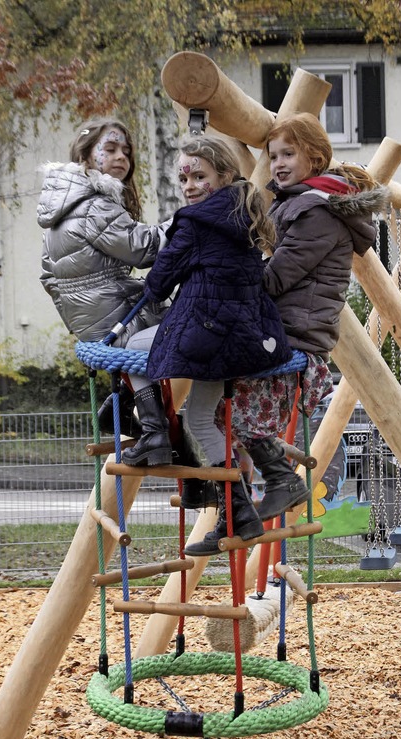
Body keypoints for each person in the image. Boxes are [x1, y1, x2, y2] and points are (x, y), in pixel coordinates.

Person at [120, 135, 293, 554]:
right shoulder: (246, 214)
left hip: (208, 334)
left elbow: (160, 280)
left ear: (224, 174)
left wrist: (150, 284)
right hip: (243, 337)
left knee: (129, 351)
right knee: (201, 418)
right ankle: (240, 516)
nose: (190, 185)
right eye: (183, 177)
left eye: (199, 176)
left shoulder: (196, 221)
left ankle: (155, 432)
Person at [217, 112, 390, 519]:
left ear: (314, 158)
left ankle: (273, 483)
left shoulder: (318, 214)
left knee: (232, 408)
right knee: (220, 401)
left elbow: (276, 278)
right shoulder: (296, 203)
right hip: (282, 328)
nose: (277, 163)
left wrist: (227, 279)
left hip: (296, 336)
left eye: (287, 153)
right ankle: (237, 499)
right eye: (272, 155)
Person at [37, 117, 210, 509]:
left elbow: (47, 273)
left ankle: (145, 428)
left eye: (126, 152)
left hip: (87, 313)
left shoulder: (59, 205)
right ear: (85, 155)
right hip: (112, 306)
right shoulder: (93, 204)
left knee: (149, 340)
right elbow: (143, 249)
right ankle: (153, 430)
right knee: (174, 326)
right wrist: (186, 221)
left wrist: (78, 317)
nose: (121, 158)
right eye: (110, 149)